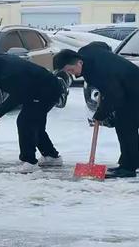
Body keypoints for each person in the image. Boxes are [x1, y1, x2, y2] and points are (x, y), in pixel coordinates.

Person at [0, 50, 64, 173]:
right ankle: (51, 156)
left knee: (26, 123)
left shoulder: (8, 72)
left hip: (44, 91)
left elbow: (19, 94)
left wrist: (0, 110)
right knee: (35, 124)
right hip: (41, 88)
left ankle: (29, 161)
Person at [54, 42, 139, 179]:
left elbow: (115, 95)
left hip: (133, 91)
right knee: (123, 127)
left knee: (127, 127)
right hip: (125, 87)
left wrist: (101, 113)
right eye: (67, 72)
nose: (71, 74)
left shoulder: (98, 72)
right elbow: (101, 45)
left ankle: (128, 168)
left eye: (71, 70)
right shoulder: (85, 52)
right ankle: (127, 163)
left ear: (79, 62)